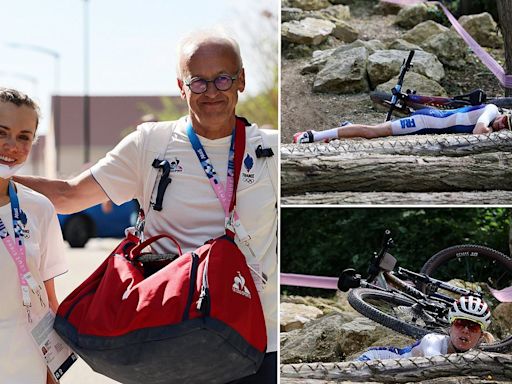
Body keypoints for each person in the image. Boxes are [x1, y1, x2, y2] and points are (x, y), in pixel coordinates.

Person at [15, 30, 278, 384]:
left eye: (223, 78)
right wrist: (5, 182)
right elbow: (69, 195)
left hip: (255, 340)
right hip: (169, 338)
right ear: (182, 87)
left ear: (241, 80)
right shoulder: (150, 144)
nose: (212, 91)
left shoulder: (272, 152)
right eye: (198, 82)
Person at [0, 88, 67, 383]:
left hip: (27, 364)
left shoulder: (39, 208)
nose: (12, 146)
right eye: (1, 132)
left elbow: (48, 300)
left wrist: (53, 371)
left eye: (24, 136)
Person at [356, 295, 494, 361]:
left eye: (473, 328)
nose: (465, 330)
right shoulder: (432, 340)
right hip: (373, 358)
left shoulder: (475, 354)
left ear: (481, 336)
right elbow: (436, 363)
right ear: (450, 326)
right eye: (460, 323)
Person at [293, 104, 511, 143]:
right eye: (506, 121)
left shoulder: (495, 120)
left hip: (431, 123)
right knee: (373, 133)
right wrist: (493, 128)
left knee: (374, 130)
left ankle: (346, 129)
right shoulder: (492, 110)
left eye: (507, 127)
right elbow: (478, 132)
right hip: (426, 120)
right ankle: (313, 135)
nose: (503, 124)